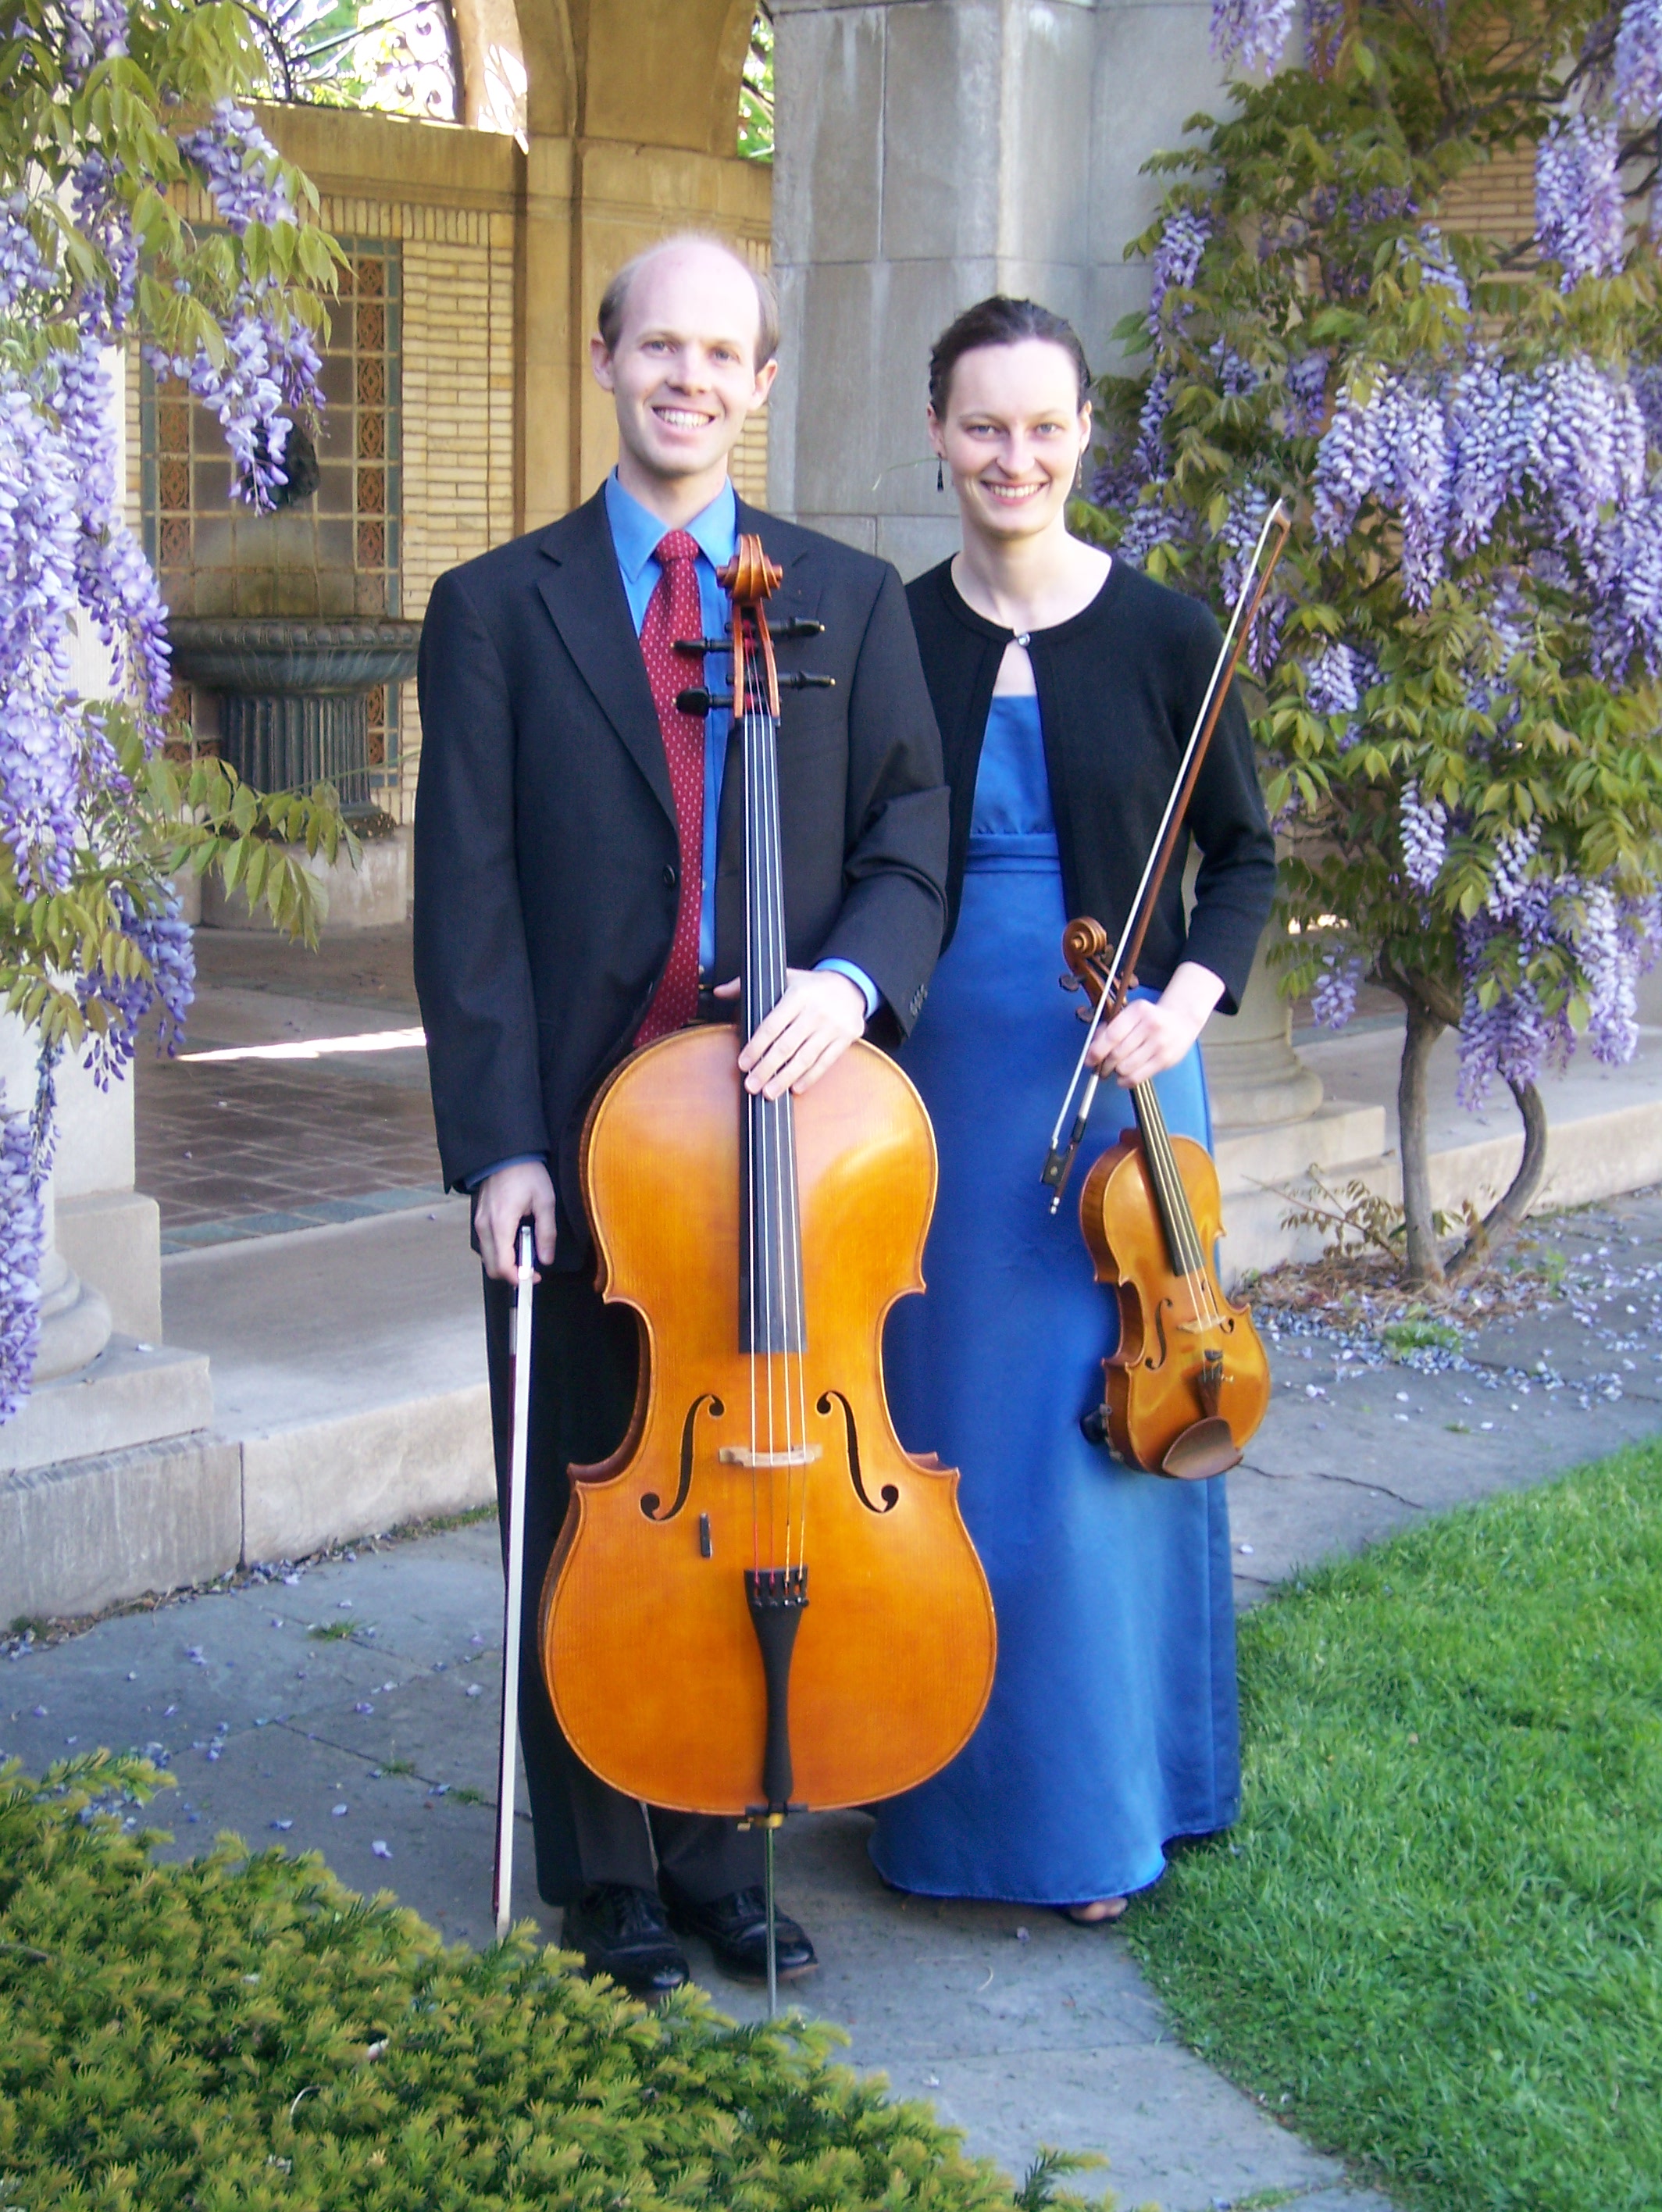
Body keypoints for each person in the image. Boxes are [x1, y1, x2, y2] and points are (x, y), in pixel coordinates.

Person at [413, 234, 950, 1996]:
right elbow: (467, 897)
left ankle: (724, 1844)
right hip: (589, 1136)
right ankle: (602, 1871)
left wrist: (848, 986)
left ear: (763, 383)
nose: (689, 378)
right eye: (660, 346)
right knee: (588, 1488)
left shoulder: (847, 603)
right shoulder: (498, 607)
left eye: (724, 353)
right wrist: (496, 1143)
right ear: (604, 358)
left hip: (781, 1136)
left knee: (761, 1476)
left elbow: (905, 846)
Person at [869, 297, 1276, 1919]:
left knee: (1092, 1439)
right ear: (935, 434)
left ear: (1085, 433)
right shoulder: (891, 627)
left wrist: (1172, 1007)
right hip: (945, 1086)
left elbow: (1237, 861)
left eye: (1041, 428)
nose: (1011, 458)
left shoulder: (1172, 633)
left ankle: (1094, 1813)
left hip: (1123, 1076)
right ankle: (934, 1800)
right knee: (951, 1429)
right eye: (981, 427)